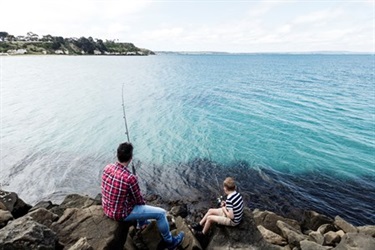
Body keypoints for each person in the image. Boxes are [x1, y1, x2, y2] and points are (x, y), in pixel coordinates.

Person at [101, 142, 184, 249]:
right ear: (131, 157)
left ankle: (141, 224)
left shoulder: (107, 167)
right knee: (161, 214)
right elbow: (139, 200)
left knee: (132, 201)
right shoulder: (130, 178)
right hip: (119, 214)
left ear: (117, 155)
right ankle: (170, 241)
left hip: (106, 207)